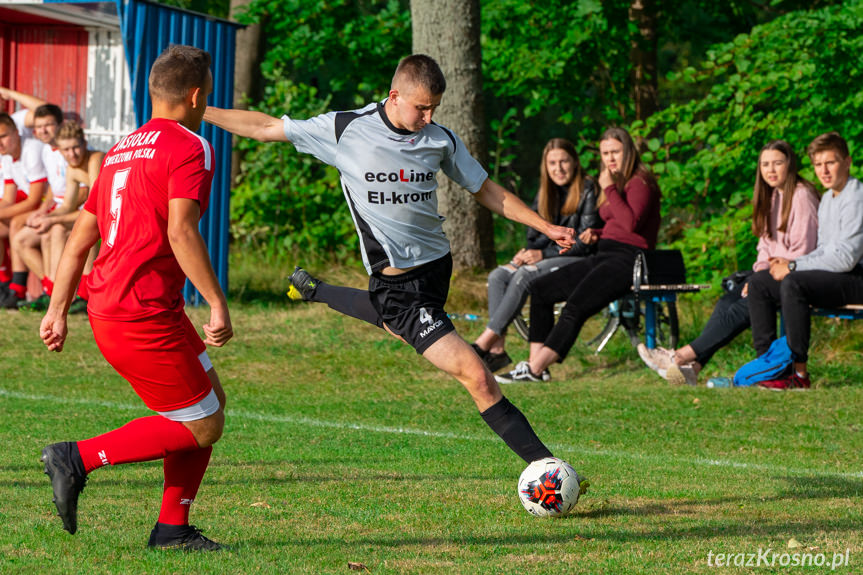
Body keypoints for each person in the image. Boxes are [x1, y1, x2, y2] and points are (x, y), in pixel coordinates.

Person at [205, 54, 575, 465]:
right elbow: (266, 126)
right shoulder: (346, 129)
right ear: (394, 95)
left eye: (435, 107)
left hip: (437, 270)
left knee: (395, 324)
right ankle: (549, 469)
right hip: (399, 288)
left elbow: (486, 189)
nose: (429, 116)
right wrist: (201, 110)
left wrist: (547, 227)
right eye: (422, 107)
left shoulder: (439, 138)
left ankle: (317, 290)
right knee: (477, 376)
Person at [39, 44, 232, 551]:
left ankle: (172, 529)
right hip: (139, 311)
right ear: (195, 96)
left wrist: (57, 310)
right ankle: (76, 457)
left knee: (209, 405)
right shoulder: (191, 146)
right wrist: (216, 301)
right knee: (201, 423)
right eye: (206, 96)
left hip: (120, 306)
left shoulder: (124, 148)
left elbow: (82, 238)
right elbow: (182, 232)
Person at [637, 140, 820, 385]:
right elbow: (764, 248)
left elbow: (805, 249)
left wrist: (764, 277)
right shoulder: (771, 196)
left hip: (798, 277)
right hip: (771, 275)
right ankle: (695, 367)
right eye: (765, 164)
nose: (771, 170)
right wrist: (760, 273)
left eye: (778, 163)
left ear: (790, 165)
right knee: (729, 299)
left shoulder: (802, 195)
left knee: (746, 302)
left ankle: (681, 356)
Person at [496, 127, 661, 383]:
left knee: (577, 305)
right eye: (605, 153)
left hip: (630, 260)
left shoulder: (640, 182)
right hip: (604, 253)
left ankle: (534, 368)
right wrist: (597, 232)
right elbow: (616, 224)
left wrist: (610, 190)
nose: (610, 159)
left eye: (615, 152)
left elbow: (630, 224)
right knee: (541, 289)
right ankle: (535, 366)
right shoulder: (615, 184)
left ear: (629, 151)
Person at [471, 138, 601, 372]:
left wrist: (541, 254)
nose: (558, 168)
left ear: (575, 163)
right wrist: (528, 253)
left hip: (579, 259)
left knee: (525, 275)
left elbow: (584, 243)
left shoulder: (588, 188)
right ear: (545, 166)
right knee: (498, 276)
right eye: (552, 163)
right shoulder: (545, 192)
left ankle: (484, 342)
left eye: (564, 162)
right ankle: (497, 352)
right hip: (548, 256)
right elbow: (535, 237)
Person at [745, 132, 863, 389]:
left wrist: (794, 266)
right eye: (818, 165)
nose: (824, 171)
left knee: (794, 282)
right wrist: (784, 265)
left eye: (830, 163)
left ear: (847, 162)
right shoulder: (829, 199)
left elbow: (845, 258)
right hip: (838, 275)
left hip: (856, 277)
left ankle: (798, 375)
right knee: (760, 283)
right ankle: (769, 366)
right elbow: (822, 252)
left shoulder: (856, 196)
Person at [15, 120, 103, 311]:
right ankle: (54, 291)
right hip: (95, 217)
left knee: (79, 227)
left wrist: (54, 219)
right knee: (53, 229)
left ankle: (84, 295)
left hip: (113, 218)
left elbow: (98, 206)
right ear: (59, 151)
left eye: (76, 147)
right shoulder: (72, 169)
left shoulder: (95, 159)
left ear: (84, 144)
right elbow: (68, 206)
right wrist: (47, 217)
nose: (72, 154)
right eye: (66, 150)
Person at [0, 111, 48, 308]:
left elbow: (34, 199)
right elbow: (8, 199)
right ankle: (4, 282)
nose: (0, 143)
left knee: (17, 223)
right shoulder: (8, 157)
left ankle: (18, 288)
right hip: (34, 206)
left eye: (3, 136)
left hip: (48, 205)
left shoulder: (31, 150)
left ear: (16, 132)